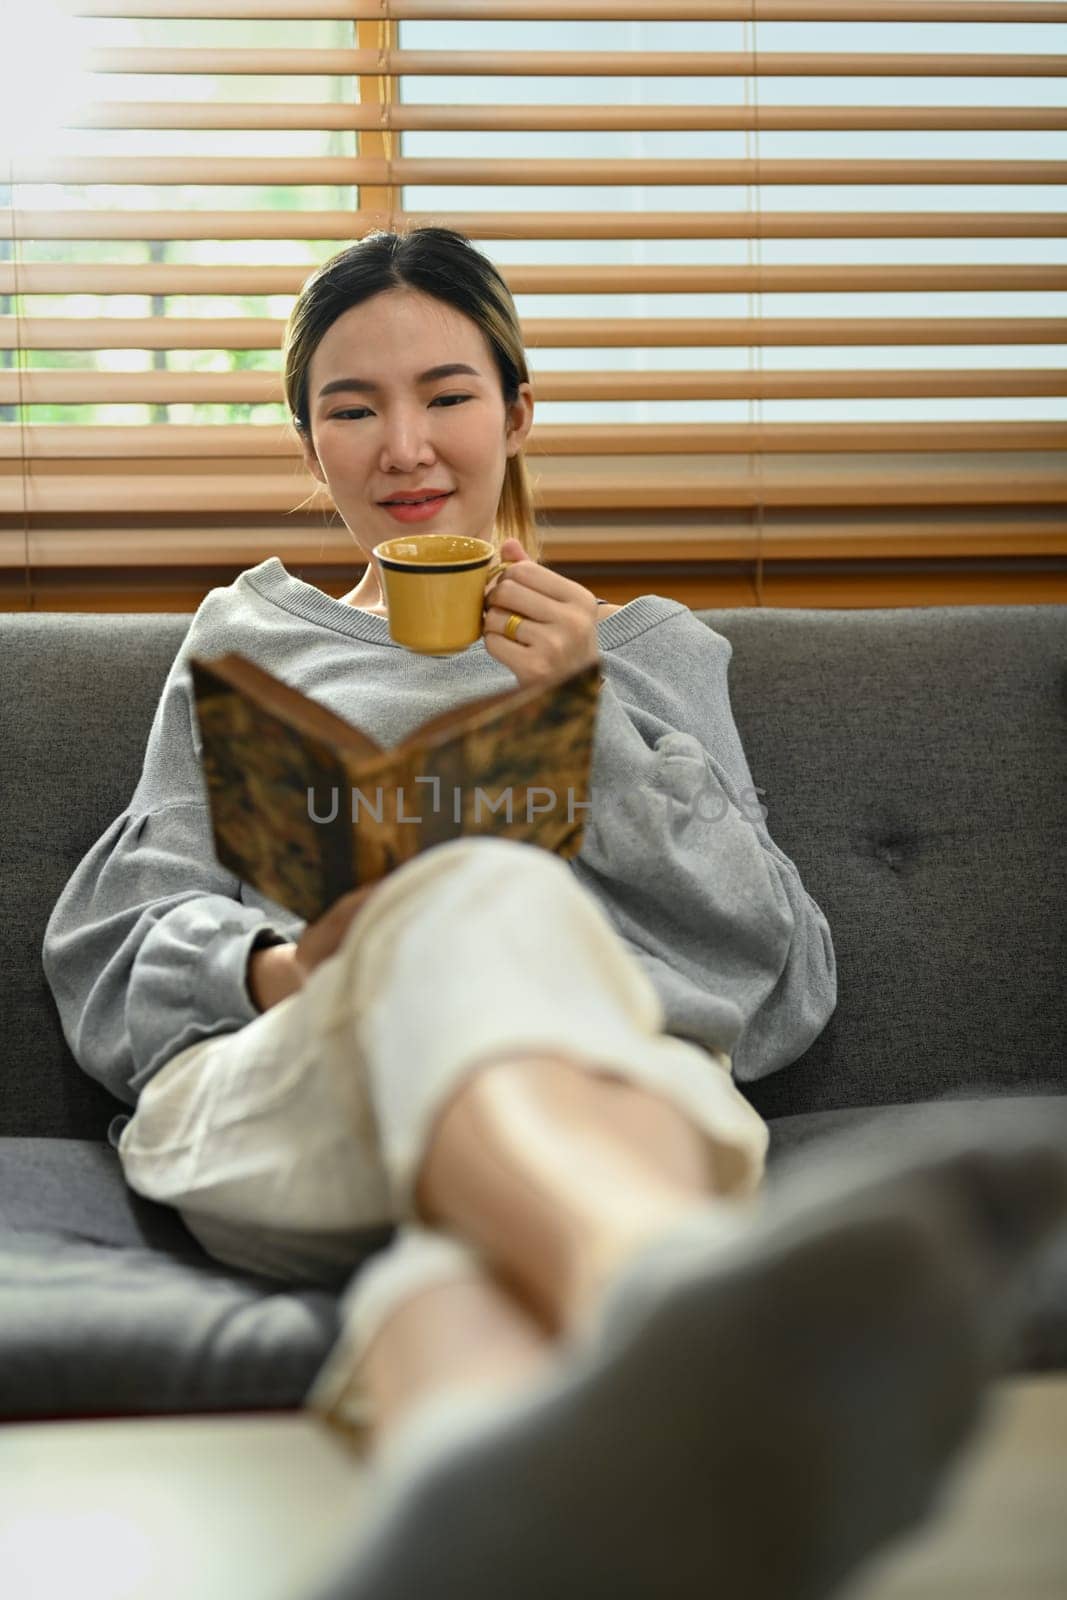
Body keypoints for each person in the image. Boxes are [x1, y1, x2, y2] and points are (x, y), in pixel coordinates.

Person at [40, 226, 1067, 1600]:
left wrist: (588, 724)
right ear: (311, 448)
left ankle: (475, 1495)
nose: (405, 447)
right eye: (352, 408)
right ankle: (659, 1284)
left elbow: (781, 972)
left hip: (610, 1085)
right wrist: (289, 967)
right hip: (292, 1094)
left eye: (447, 394)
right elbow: (112, 944)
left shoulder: (646, 654)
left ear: (519, 411)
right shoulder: (241, 642)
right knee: (467, 892)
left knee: (456, 1243)